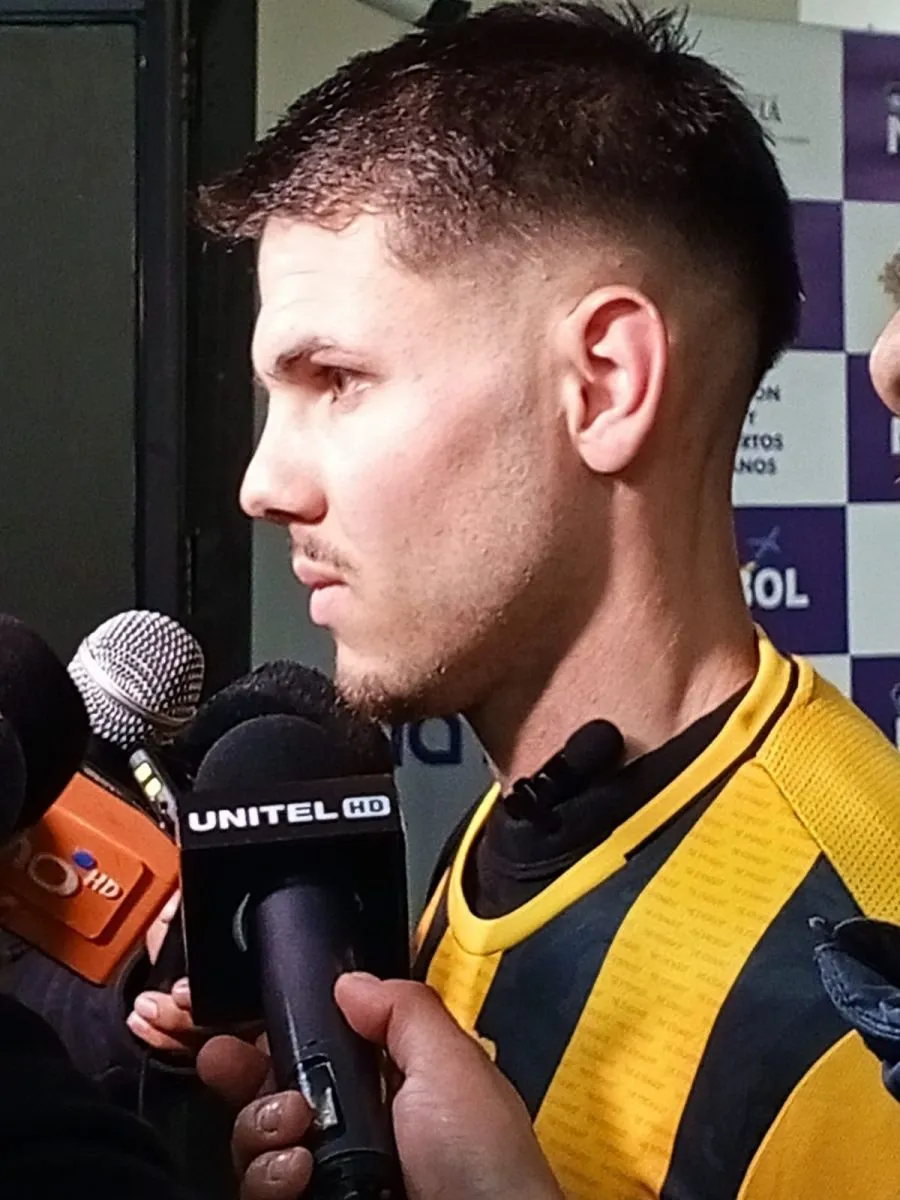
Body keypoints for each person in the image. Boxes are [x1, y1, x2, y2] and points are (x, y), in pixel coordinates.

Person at [130, 2, 900, 1197]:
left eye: (336, 378)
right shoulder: (521, 819)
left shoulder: (855, 992)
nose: (263, 483)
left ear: (603, 383)